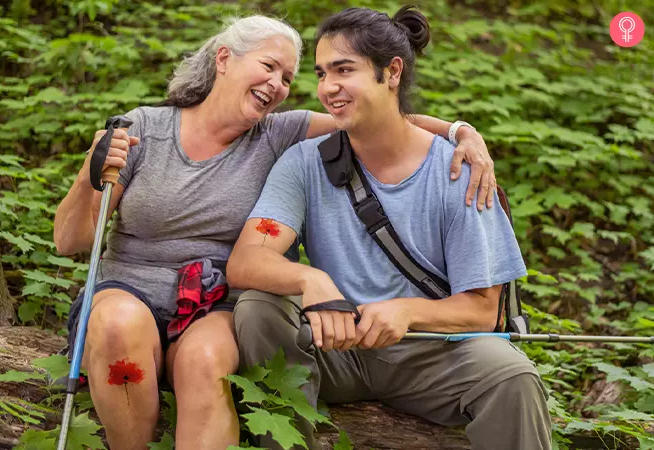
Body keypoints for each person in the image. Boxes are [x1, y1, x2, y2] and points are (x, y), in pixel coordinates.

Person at [54, 14, 496, 450]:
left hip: (213, 302)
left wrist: (461, 132)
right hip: (128, 287)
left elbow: (381, 119)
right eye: (269, 67)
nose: (278, 85)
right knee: (117, 324)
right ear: (224, 58)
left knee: (205, 361)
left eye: (287, 78)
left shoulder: (278, 133)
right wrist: (87, 175)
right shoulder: (145, 130)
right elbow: (69, 242)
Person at [227, 6, 551, 450]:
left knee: (512, 375)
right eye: (321, 74)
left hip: (431, 355)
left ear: (391, 72)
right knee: (258, 307)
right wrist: (310, 277)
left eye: (344, 70)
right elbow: (247, 259)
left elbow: (482, 311)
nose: (328, 88)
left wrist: (407, 310)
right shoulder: (303, 163)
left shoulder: (458, 169)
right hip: (335, 351)